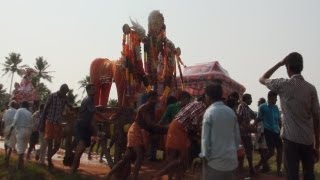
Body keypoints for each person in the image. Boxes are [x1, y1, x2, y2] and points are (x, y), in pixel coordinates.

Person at [259, 52, 320, 180]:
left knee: (292, 175)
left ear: (288, 68)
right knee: (309, 175)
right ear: (301, 67)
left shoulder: (282, 84)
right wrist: (317, 146)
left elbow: (262, 78)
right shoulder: (311, 89)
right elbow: (316, 118)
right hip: (308, 140)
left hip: (290, 140)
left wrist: (280, 63)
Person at [106, 91, 166, 180]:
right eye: (153, 98)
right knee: (140, 155)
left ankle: (109, 175)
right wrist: (165, 128)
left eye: (155, 98)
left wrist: (162, 129)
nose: (155, 100)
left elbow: (152, 125)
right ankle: (134, 177)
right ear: (149, 99)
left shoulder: (152, 109)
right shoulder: (144, 108)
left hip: (141, 132)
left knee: (125, 158)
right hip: (135, 131)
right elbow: (150, 123)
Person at [152, 95, 207, 179]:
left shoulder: (196, 104)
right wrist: (200, 133)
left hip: (178, 128)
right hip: (179, 129)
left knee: (177, 160)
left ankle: (166, 176)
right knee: (181, 159)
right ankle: (157, 175)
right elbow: (195, 123)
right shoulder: (202, 106)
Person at [201, 82, 240, 180]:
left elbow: (205, 140)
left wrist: (205, 156)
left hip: (215, 163)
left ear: (208, 96)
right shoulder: (231, 112)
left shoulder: (209, 113)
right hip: (231, 161)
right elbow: (237, 138)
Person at [70, 83, 110, 173]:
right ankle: (73, 168)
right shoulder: (88, 99)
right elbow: (94, 111)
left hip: (86, 126)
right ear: (87, 90)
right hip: (81, 126)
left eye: (94, 89)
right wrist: (106, 118)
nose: (94, 90)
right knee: (81, 147)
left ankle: (74, 167)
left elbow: (92, 111)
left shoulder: (90, 101)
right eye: (92, 89)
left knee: (82, 148)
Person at [39, 83, 71, 169]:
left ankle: (48, 157)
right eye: (65, 92)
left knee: (57, 145)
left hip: (58, 123)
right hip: (50, 122)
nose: (66, 94)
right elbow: (45, 109)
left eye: (66, 93)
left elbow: (69, 106)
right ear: (61, 90)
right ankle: (49, 161)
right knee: (49, 144)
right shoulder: (52, 96)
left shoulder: (65, 98)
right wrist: (42, 122)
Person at [257, 91, 282, 175]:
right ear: (270, 97)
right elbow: (259, 118)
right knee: (271, 152)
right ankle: (259, 164)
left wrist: (281, 130)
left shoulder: (276, 108)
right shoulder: (262, 107)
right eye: (275, 98)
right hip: (268, 131)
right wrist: (253, 125)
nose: (276, 100)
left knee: (280, 151)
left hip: (277, 132)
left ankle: (278, 171)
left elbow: (278, 120)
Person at [7, 101, 33, 170]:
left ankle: (19, 166)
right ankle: (21, 164)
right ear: (27, 106)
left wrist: (10, 132)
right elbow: (31, 124)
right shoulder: (30, 113)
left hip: (21, 130)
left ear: (22, 105)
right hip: (28, 131)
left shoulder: (19, 110)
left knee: (20, 149)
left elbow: (14, 122)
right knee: (23, 148)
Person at [237, 93, 256, 176]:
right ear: (246, 99)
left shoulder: (247, 108)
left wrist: (253, 125)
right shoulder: (242, 107)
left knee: (248, 151)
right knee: (243, 152)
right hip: (242, 133)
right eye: (250, 98)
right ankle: (242, 170)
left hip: (246, 133)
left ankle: (250, 168)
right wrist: (249, 127)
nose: (251, 100)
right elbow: (239, 119)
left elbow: (255, 115)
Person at [254, 98, 269, 172]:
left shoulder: (262, 112)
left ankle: (264, 166)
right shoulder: (261, 112)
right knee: (262, 151)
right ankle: (265, 166)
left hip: (262, 135)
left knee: (263, 151)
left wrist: (261, 136)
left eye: (259, 101)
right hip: (261, 134)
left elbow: (263, 126)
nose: (257, 103)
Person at [2, 100, 19, 165]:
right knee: (11, 144)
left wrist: (2, 129)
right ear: (15, 106)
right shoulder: (17, 112)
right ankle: (8, 158)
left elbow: (3, 121)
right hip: (13, 129)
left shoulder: (6, 111)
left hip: (6, 128)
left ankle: (6, 154)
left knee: (6, 141)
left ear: (10, 105)